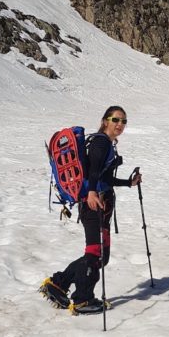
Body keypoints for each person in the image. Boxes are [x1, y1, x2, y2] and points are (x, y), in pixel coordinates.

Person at [40, 105, 142, 314]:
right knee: (95, 254)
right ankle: (83, 299)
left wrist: (127, 183)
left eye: (123, 121)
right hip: (93, 203)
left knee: (100, 255)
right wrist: (93, 193)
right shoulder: (101, 142)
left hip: (99, 202)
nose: (120, 125)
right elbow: (94, 171)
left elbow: (103, 176)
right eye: (116, 120)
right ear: (105, 121)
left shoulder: (106, 143)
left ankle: (58, 284)